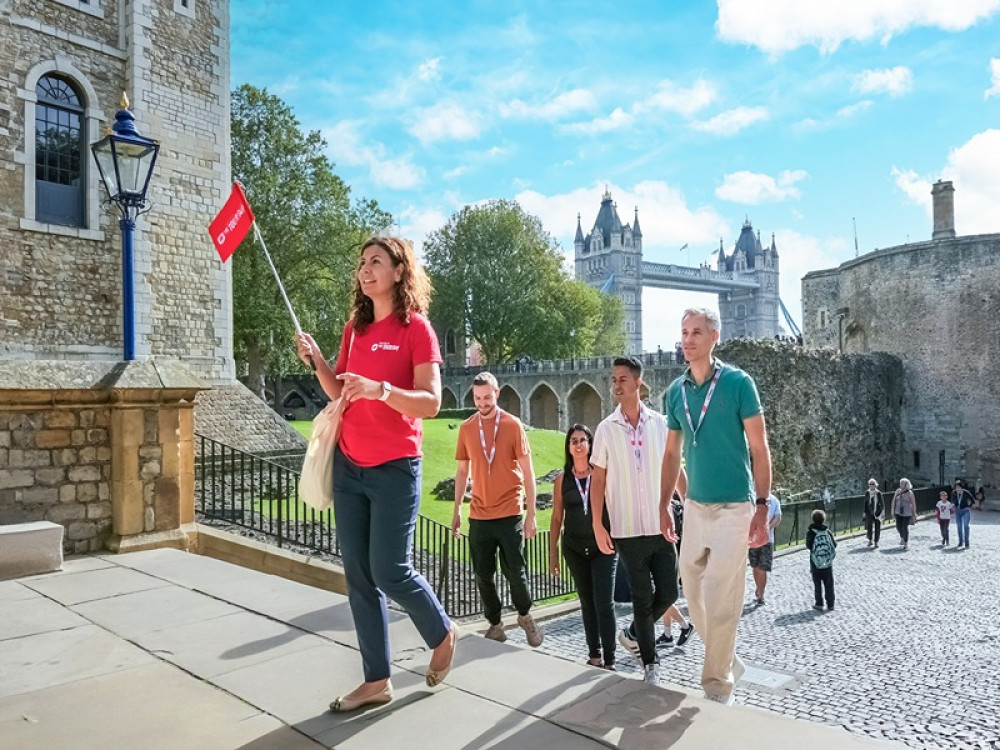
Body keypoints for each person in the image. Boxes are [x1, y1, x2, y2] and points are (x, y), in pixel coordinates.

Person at [295, 236, 456, 713]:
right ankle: (376, 680)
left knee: (390, 569)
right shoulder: (355, 329)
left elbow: (431, 402)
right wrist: (318, 360)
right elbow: (340, 389)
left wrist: (383, 390)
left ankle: (443, 630)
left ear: (399, 272)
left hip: (394, 468)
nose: (365, 270)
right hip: (349, 466)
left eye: (376, 262)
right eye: (362, 263)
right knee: (358, 576)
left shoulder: (416, 329)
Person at [660, 307, 773, 707]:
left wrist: (761, 505)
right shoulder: (675, 392)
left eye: (696, 332)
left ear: (714, 337)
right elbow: (672, 455)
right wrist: (664, 504)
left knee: (722, 595)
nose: (687, 340)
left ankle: (717, 684)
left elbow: (759, 449)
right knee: (693, 590)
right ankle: (728, 660)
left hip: (734, 508)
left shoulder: (740, 384)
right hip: (694, 507)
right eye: (684, 332)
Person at [590, 356, 678, 686]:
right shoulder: (605, 429)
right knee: (642, 599)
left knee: (669, 592)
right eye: (614, 379)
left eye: (623, 379)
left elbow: (674, 468)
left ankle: (632, 633)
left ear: (638, 382)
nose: (617, 384)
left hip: (660, 525)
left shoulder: (662, 424)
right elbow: (598, 480)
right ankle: (651, 665)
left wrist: (690, 503)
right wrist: (599, 524)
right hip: (626, 530)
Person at [452, 372, 543, 647]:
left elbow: (528, 472)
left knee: (515, 572)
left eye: (487, 397)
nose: (482, 403)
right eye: (478, 398)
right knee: (482, 574)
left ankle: (525, 616)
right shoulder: (467, 428)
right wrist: (456, 509)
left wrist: (532, 515)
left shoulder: (513, 425)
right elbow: (461, 471)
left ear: (497, 393)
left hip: (510, 511)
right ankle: (495, 624)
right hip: (479, 513)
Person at [548, 424, 616, 669]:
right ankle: (594, 654)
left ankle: (610, 658)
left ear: (590, 444)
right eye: (573, 441)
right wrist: (552, 554)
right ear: (569, 447)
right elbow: (556, 519)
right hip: (574, 548)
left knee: (604, 602)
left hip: (602, 546)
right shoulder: (561, 480)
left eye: (582, 440)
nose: (577, 444)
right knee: (586, 602)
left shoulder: (601, 473)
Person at [749, 493, 782, 606]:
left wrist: (763, 528)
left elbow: (778, 517)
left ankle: (760, 592)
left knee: (758, 566)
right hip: (764, 538)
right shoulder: (774, 499)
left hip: (757, 538)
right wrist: (767, 528)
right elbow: (777, 518)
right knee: (759, 566)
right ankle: (760, 592)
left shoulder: (752, 497)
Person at [806, 509, 837, 611]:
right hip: (828, 563)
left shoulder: (811, 532)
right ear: (824, 519)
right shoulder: (827, 531)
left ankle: (819, 603)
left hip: (815, 562)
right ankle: (831, 604)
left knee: (817, 583)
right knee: (829, 583)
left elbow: (808, 545)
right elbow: (834, 544)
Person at [891, 478, 917, 549]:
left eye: (902, 483)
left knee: (905, 527)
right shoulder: (898, 491)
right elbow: (894, 500)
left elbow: (913, 503)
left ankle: (906, 542)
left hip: (907, 512)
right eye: (900, 483)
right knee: (898, 526)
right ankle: (902, 537)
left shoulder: (910, 493)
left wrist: (914, 513)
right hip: (898, 511)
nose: (900, 485)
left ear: (906, 485)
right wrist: (892, 510)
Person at [952, 480, 975, 549]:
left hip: (965, 511)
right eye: (956, 487)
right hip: (958, 511)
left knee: (966, 525)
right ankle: (960, 541)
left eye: (958, 487)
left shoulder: (966, 492)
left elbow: (973, 500)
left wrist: (969, 506)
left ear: (961, 487)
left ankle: (967, 542)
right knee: (959, 526)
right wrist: (953, 506)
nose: (957, 489)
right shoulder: (954, 493)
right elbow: (952, 501)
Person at [863, 478, 885, 548]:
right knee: (869, 526)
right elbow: (865, 503)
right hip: (869, 512)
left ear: (875, 485)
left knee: (877, 527)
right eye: (870, 484)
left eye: (873, 484)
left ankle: (876, 541)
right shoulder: (867, 492)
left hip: (877, 512)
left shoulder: (878, 493)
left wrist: (882, 512)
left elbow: (882, 503)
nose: (871, 485)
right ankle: (870, 540)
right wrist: (864, 512)